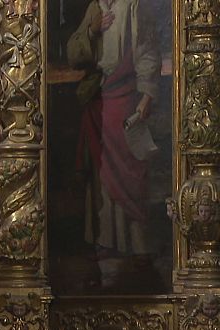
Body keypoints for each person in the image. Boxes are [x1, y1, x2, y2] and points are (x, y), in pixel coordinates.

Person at [67, 0, 161, 275]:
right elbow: (74, 51)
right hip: (100, 97)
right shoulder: (95, 7)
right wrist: (91, 31)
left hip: (125, 96)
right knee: (103, 173)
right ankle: (107, 240)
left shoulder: (133, 5)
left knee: (130, 170)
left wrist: (146, 96)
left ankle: (138, 244)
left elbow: (147, 49)